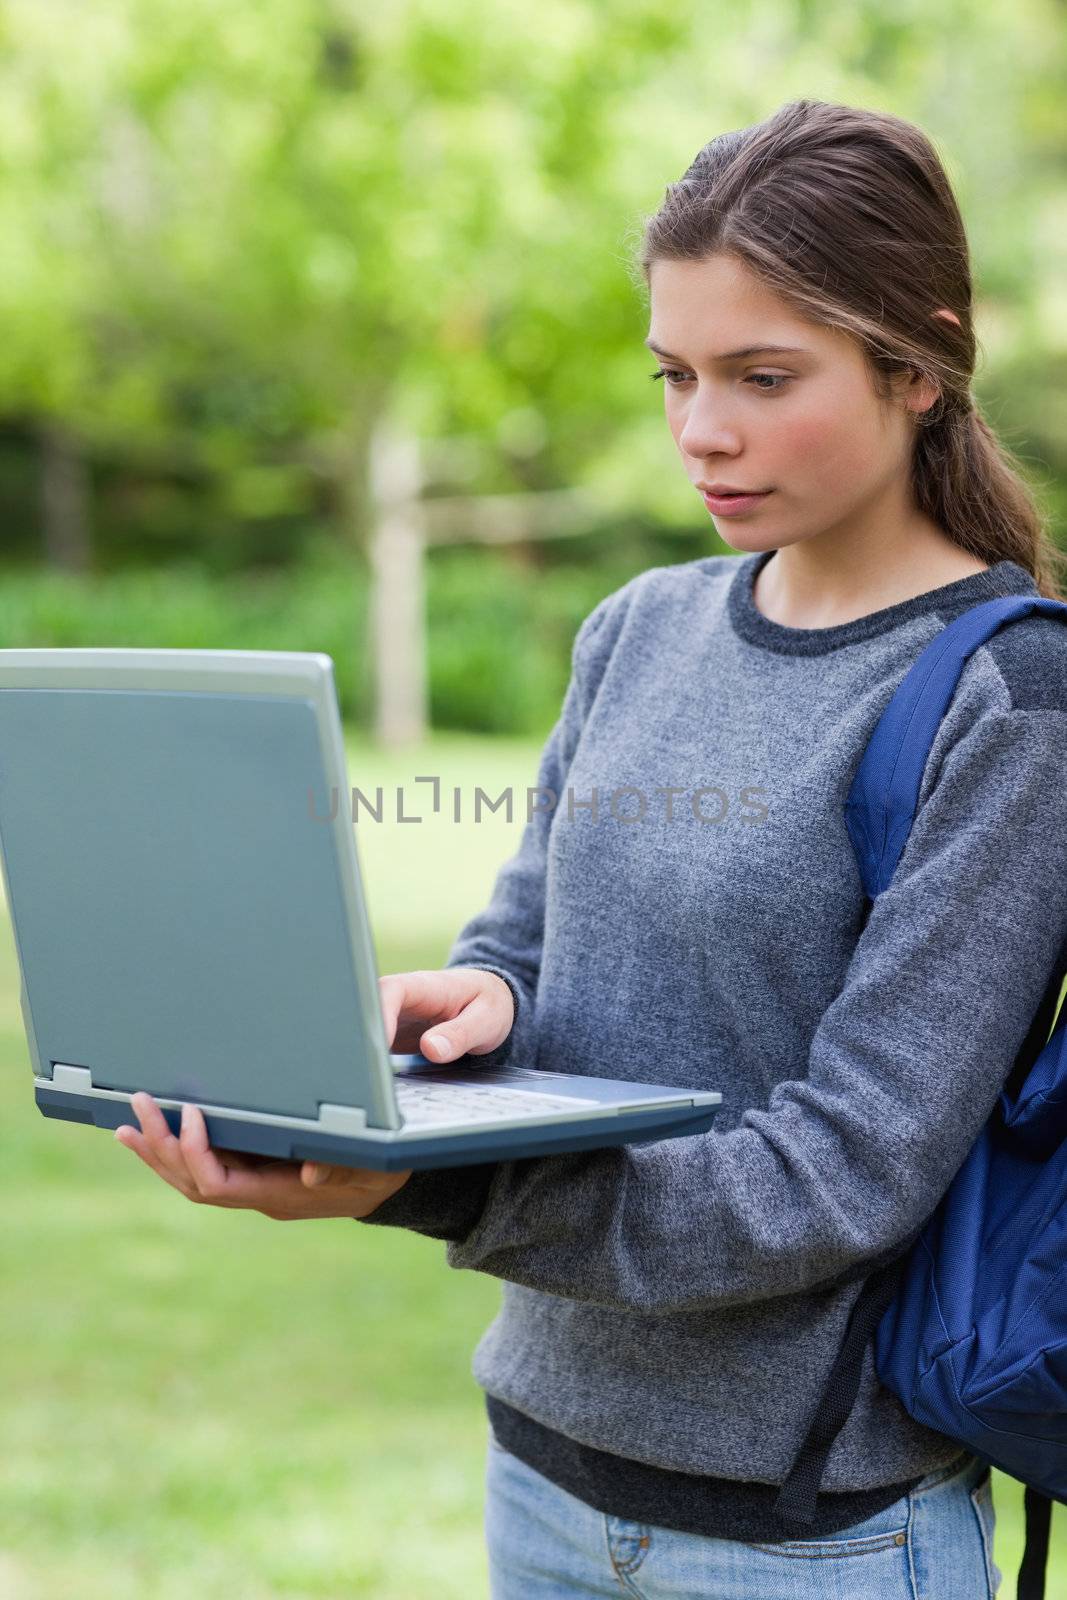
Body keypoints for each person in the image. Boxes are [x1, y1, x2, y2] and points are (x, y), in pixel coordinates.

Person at [115, 98, 1067, 1597]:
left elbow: (839, 1175)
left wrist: (430, 1189)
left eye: (764, 376)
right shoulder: (643, 628)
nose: (702, 430)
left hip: (810, 1535)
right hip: (543, 1473)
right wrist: (475, 1006)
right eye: (675, 374)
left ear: (922, 365)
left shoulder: (1008, 700)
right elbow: (528, 941)